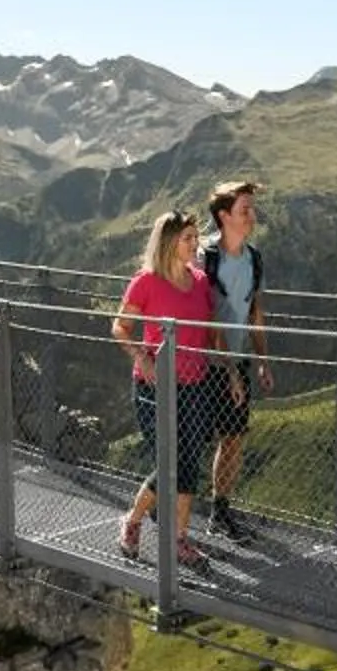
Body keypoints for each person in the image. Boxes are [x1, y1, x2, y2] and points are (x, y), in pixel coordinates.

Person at [110, 207, 222, 571]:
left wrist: (232, 372)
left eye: (196, 237)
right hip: (154, 387)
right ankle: (133, 521)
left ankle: (179, 541)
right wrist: (142, 357)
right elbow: (120, 327)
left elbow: (210, 331)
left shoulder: (201, 281)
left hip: (195, 385)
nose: (196, 243)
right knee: (169, 461)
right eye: (188, 238)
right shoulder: (146, 281)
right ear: (170, 242)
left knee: (189, 463)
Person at [196, 179, 273, 541]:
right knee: (192, 437)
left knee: (233, 437)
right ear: (224, 216)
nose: (252, 216)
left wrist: (262, 359)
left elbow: (255, 310)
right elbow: (208, 316)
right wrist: (229, 371)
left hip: (236, 360)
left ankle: (218, 512)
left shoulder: (254, 257)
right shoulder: (205, 257)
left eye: (251, 209)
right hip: (201, 362)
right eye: (245, 210)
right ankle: (165, 502)